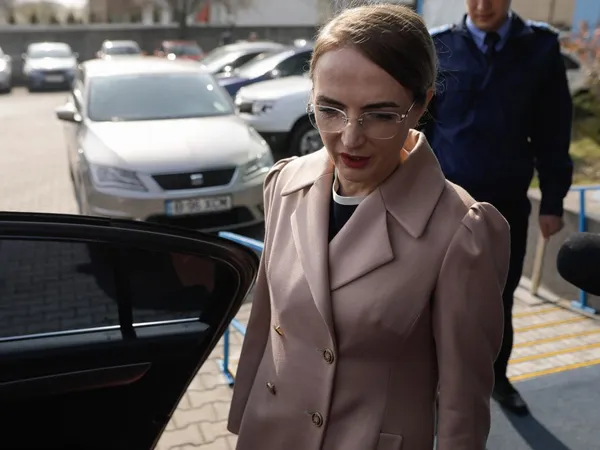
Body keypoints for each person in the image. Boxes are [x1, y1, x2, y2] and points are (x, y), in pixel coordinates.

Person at [227, 4, 510, 449]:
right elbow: (266, 321)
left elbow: (463, 404)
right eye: (330, 109)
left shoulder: (460, 230)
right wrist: (244, 417)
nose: (350, 137)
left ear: (421, 106)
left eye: (380, 114)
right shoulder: (285, 184)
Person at [424, 0, 573, 416]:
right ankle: (435, 381)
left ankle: (497, 378)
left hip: (506, 202)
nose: (482, 5)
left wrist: (553, 201)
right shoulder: (439, 46)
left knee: (499, 297)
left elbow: (553, 129)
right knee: (437, 296)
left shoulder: (540, 47)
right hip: (443, 201)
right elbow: (419, 124)